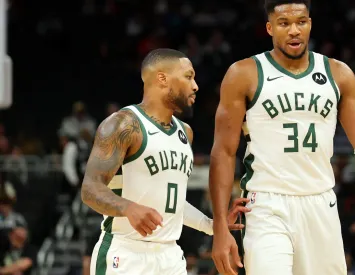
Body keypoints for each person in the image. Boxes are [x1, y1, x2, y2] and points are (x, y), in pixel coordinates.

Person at [208, 1, 355, 275]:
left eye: (301, 22)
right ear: (270, 28)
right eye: (284, 23)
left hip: (321, 202)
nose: (294, 30)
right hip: (267, 204)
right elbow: (223, 152)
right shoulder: (244, 74)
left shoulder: (339, 74)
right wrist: (219, 228)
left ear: (310, 24)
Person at [81, 48, 250, 275]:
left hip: (170, 256)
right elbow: (90, 189)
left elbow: (173, 202)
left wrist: (212, 225)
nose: (195, 86)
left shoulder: (185, 132)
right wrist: (128, 208)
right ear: (162, 78)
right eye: (188, 76)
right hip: (126, 254)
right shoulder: (123, 124)